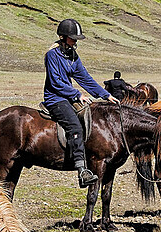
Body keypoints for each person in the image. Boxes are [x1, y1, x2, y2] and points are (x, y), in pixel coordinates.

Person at [44, 19, 120, 188]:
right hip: (55, 99)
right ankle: (82, 170)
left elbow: (84, 78)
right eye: (72, 37)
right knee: (75, 126)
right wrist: (77, 94)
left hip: (68, 97)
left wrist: (105, 95)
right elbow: (55, 82)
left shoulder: (71, 54)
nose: (75, 40)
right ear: (62, 37)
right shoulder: (52, 55)